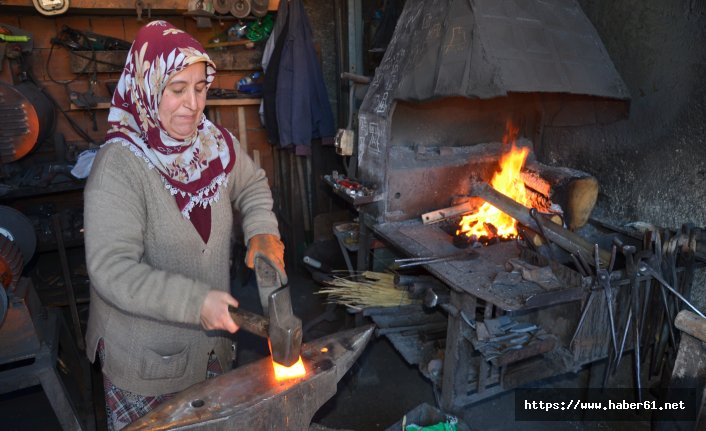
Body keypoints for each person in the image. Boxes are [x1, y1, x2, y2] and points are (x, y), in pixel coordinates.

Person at [83, 20, 286, 430]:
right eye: (177, 89)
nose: (192, 104)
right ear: (148, 88)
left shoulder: (214, 142)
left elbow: (252, 184)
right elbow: (112, 270)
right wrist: (195, 303)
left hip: (210, 351)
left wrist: (262, 230)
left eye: (199, 88)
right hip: (146, 363)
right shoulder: (119, 167)